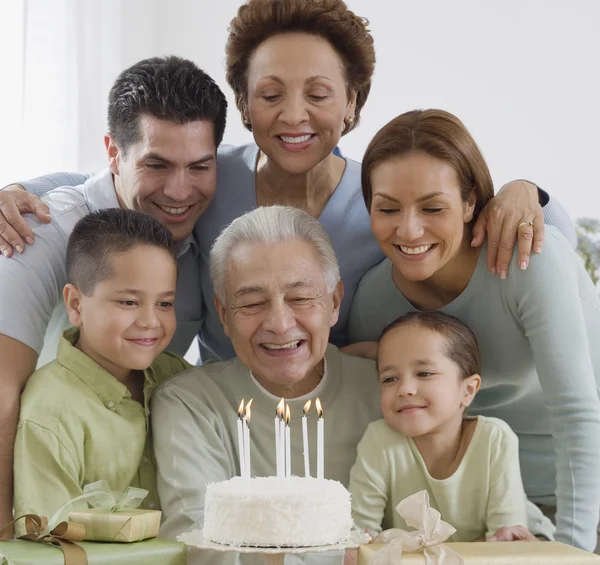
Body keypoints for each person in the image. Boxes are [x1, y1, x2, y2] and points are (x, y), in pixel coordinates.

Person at [0, 0, 576, 360]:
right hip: (217, 416)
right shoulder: (208, 174)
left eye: (319, 95)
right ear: (245, 106)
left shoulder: (384, 203)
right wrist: (13, 190)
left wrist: (528, 191)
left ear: (352, 103)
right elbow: (111, 178)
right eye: (271, 95)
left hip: (344, 418)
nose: (294, 115)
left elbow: (516, 220)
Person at [348, 109, 600, 551]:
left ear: (470, 202)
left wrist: (573, 553)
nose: (408, 229)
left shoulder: (528, 261)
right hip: (477, 521)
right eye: (387, 208)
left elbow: (577, 413)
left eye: (433, 207)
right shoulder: (373, 299)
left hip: (581, 502)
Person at [0, 55, 226, 535]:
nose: (180, 190)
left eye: (199, 166)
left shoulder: (204, 224)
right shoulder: (35, 238)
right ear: (113, 152)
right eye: (156, 164)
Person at [151, 206, 382, 564]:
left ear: (334, 302)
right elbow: (198, 549)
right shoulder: (190, 405)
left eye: (301, 298)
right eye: (253, 302)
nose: (278, 322)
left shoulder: (386, 394)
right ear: (224, 314)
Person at [13, 209, 191, 531]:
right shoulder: (49, 416)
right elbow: (49, 546)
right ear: (76, 305)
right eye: (129, 303)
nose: (151, 321)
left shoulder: (177, 377)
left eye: (165, 304)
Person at [350, 311, 550, 544]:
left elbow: (506, 541)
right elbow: (359, 536)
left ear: (467, 391)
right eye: (389, 378)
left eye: (424, 373)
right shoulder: (379, 440)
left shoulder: (494, 439)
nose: (405, 389)